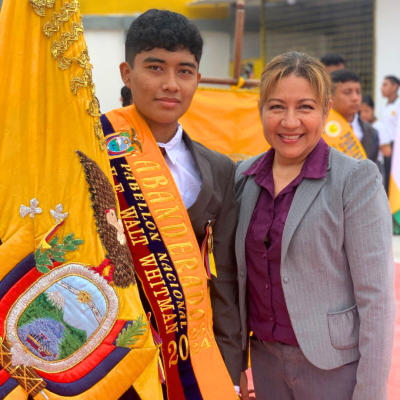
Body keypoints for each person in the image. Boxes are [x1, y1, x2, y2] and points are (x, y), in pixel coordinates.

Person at [236, 52, 395, 400]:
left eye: (305, 107)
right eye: (276, 106)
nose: (290, 122)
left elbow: (377, 300)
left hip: (334, 369)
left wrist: (369, 394)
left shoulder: (355, 180)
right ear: (260, 109)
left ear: (325, 111)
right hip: (263, 363)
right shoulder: (243, 177)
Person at [101, 9, 241, 400]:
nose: (170, 84)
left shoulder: (219, 169)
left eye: (184, 71)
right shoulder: (92, 149)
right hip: (114, 356)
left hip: (192, 359)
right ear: (127, 74)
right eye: (155, 67)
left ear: (197, 78)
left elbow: (224, 279)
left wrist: (229, 370)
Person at [330, 69, 379, 163]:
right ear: (330, 96)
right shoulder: (320, 128)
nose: (355, 98)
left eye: (358, 92)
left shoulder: (372, 133)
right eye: (347, 92)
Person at [360, 95, 390, 180]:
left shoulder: (379, 126)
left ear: (373, 110)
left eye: (366, 111)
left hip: (376, 165)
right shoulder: (361, 126)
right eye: (360, 111)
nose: (363, 115)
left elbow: (387, 151)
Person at [380, 75, 400, 193]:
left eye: (385, 85)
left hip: (396, 146)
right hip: (386, 146)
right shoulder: (384, 108)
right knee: (387, 176)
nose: (381, 88)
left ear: (395, 87)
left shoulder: (398, 105)